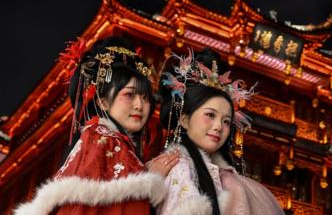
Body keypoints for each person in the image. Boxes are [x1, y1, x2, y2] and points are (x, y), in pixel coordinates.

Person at [14, 36, 179, 215]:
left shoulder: (101, 138)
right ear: (103, 102)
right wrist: (149, 179)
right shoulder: (103, 139)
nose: (140, 105)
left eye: (146, 97)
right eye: (129, 95)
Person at [157, 48, 285, 215]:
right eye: (210, 114)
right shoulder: (179, 168)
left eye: (226, 121)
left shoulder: (229, 178)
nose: (219, 126)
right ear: (184, 119)